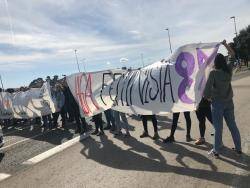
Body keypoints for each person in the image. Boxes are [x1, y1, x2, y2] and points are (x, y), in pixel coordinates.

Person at [204, 40, 242, 157]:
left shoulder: (213, 73)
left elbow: (206, 92)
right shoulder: (228, 69)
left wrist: (209, 98)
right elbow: (233, 55)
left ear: (215, 62)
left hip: (217, 104)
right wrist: (225, 45)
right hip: (229, 102)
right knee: (232, 125)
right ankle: (238, 148)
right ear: (223, 62)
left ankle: (216, 150)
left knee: (218, 128)